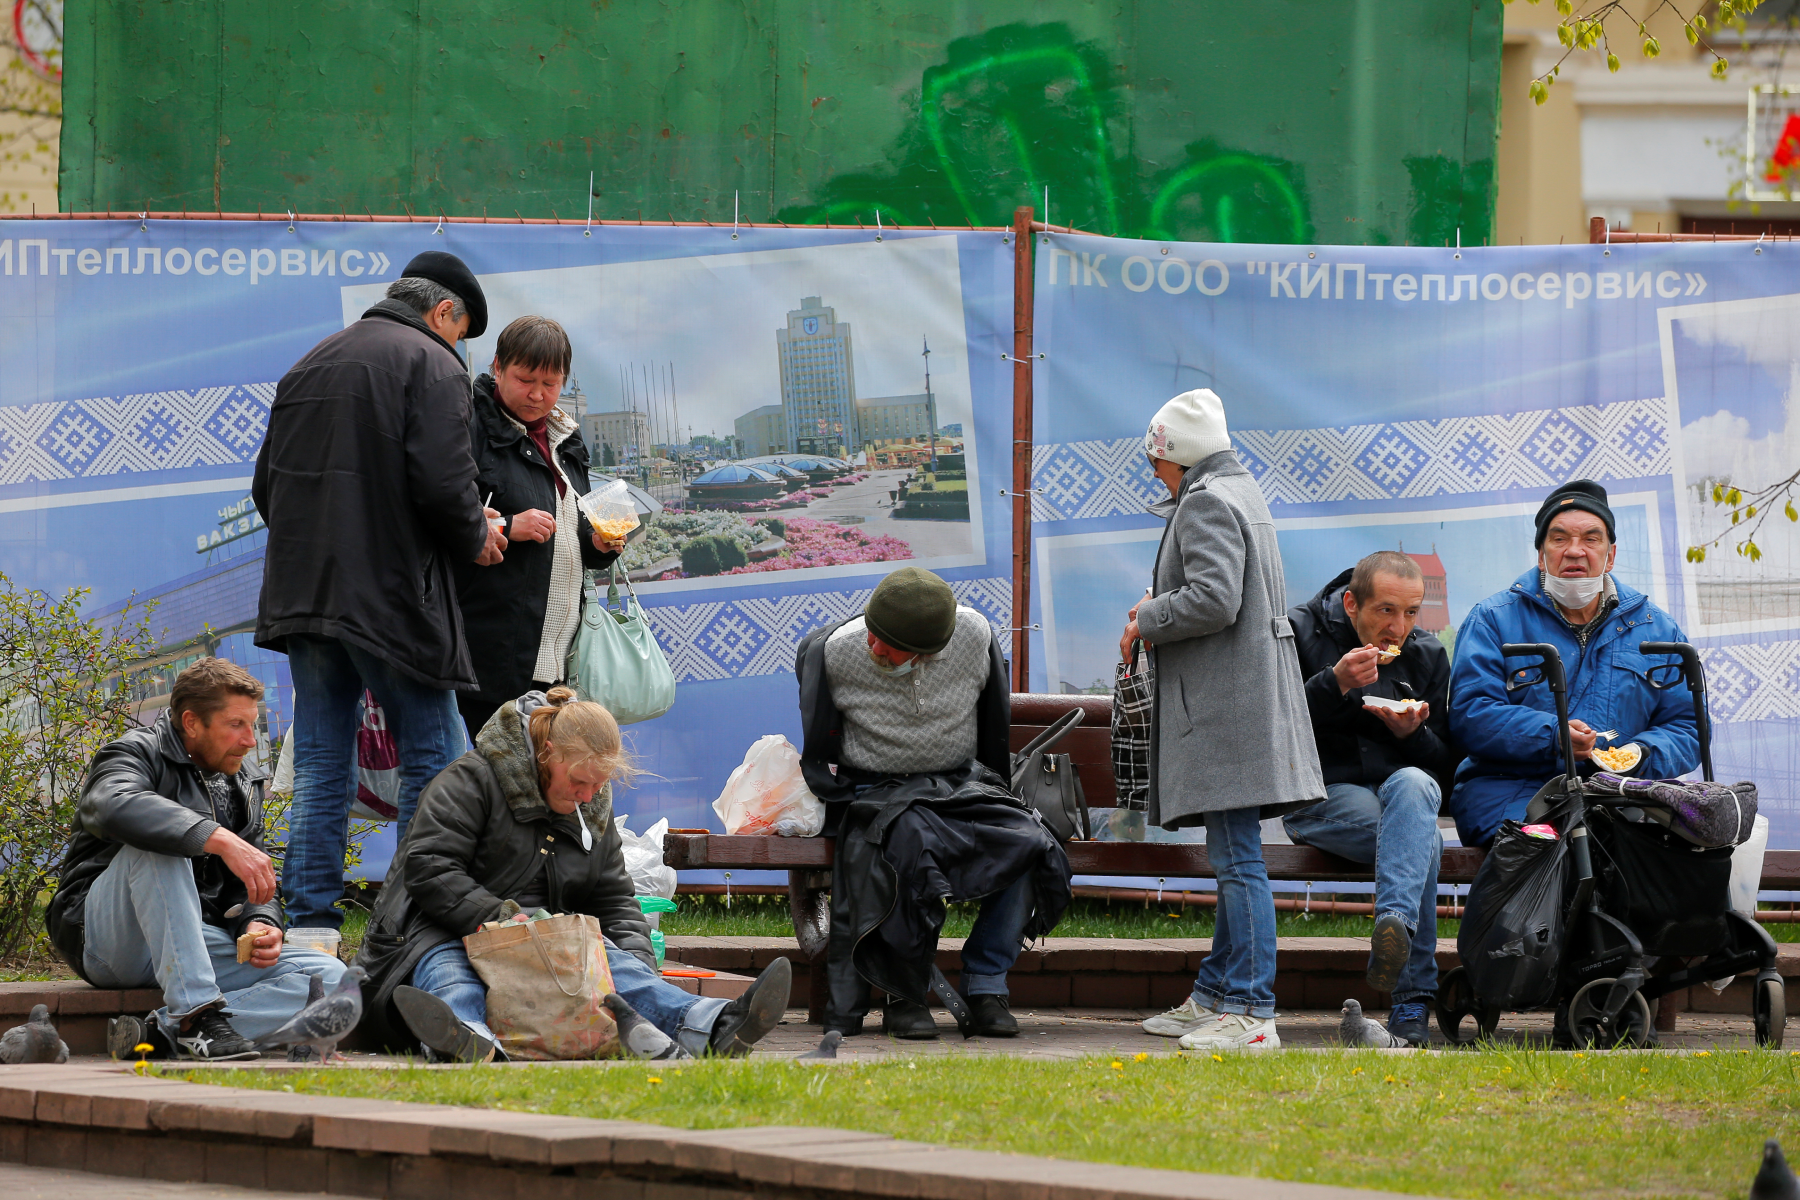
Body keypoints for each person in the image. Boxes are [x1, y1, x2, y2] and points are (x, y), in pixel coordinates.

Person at [254, 251, 507, 931]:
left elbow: (265, 490)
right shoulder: (434, 363)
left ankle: (309, 927)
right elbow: (441, 482)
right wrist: (475, 532)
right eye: (461, 331)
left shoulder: (308, 363)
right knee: (433, 757)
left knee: (318, 765)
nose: (459, 345)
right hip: (394, 601)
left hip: (305, 597)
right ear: (444, 312)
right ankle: (412, 923)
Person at [353, 687, 791, 1060]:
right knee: (452, 975)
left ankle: (715, 1025)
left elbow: (614, 901)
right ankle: (468, 1041)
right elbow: (430, 868)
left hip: (548, 945)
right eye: (579, 781)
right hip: (443, 931)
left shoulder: (591, 806)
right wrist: (503, 919)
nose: (588, 795)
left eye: (599, 786)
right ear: (548, 755)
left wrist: (634, 968)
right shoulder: (469, 781)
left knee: (616, 964)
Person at [1123, 389, 1324, 1052]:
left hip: (1226, 712)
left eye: (1157, 460)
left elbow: (1213, 598)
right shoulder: (1239, 489)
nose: (1155, 472)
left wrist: (1147, 618)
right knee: (1234, 854)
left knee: (1238, 860)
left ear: (1175, 454)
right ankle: (1216, 994)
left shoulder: (1205, 499)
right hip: (1241, 704)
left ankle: (1251, 1012)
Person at [795, 566, 1072, 1040]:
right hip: (878, 790)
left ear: (929, 652)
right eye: (873, 633)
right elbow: (819, 743)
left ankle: (987, 985)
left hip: (959, 784)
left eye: (890, 644)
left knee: (1031, 843)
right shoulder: (837, 650)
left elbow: (992, 724)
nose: (874, 647)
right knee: (906, 845)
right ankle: (905, 994)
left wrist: (992, 791)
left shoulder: (974, 636)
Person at [45, 659, 347, 1062]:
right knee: (161, 844)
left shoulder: (245, 779)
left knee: (331, 979)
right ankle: (195, 1014)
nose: (250, 740)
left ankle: (162, 1032)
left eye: (252, 725)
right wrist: (215, 837)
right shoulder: (135, 751)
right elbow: (110, 804)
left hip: (191, 943)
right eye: (235, 725)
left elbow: (248, 882)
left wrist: (260, 921)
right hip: (112, 940)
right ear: (191, 722)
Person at [1448, 480, 1697, 847]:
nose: (1574, 551)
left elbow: (1687, 726)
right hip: (1510, 792)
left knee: (1663, 861)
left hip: (1623, 794)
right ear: (1541, 554)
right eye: (1559, 538)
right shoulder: (1493, 619)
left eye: (1591, 539)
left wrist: (1641, 754)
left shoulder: (1657, 628)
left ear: (1610, 555)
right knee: (1556, 848)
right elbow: (1471, 714)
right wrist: (1553, 735)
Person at [1280, 551, 1459, 1047]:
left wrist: (1412, 735)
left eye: (1410, 613)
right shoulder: (1300, 631)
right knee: (1422, 842)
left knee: (1417, 785)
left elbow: (1442, 764)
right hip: (1318, 795)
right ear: (1352, 602)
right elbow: (1274, 728)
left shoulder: (1425, 654)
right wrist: (1333, 683)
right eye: (1385, 611)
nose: (1398, 627)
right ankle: (1411, 1006)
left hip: (1399, 798)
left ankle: (1393, 924)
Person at [454, 315, 625, 739]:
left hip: (559, 655)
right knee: (492, 783)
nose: (537, 394)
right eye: (524, 379)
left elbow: (573, 530)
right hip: (487, 652)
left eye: (551, 383)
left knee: (544, 784)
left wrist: (599, 544)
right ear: (497, 367)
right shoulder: (467, 426)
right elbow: (438, 516)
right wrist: (508, 525)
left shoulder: (565, 437)